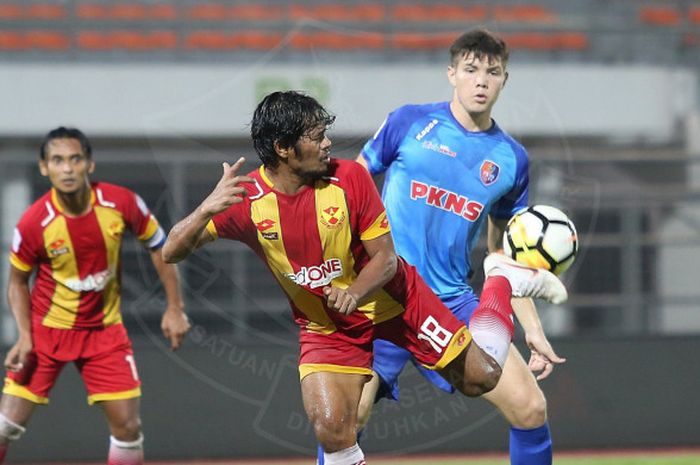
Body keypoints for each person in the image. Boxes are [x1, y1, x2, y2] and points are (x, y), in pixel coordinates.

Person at [162, 90, 567, 465]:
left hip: (398, 301)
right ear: (283, 148)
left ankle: (501, 278)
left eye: (325, 134)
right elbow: (171, 251)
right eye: (316, 136)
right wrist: (204, 210)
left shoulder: (348, 179)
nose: (326, 144)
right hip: (327, 325)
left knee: (482, 378)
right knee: (333, 426)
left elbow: (387, 261)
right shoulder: (246, 199)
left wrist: (353, 292)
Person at [330, 29, 564, 465]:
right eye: (471, 70)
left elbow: (505, 257)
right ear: (452, 73)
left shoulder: (511, 159)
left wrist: (532, 328)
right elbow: (350, 190)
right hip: (383, 296)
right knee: (344, 422)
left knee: (531, 408)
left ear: (504, 80)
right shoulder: (409, 122)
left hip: (449, 302)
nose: (481, 80)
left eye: (492, 72)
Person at [1, 127, 191, 465]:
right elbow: (16, 282)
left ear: (89, 164)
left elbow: (160, 247)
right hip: (47, 333)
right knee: (4, 427)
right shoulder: (34, 222)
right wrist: (25, 336)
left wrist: (175, 307)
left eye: (75, 159)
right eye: (58, 160)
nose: (68, 168)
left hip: (104, 333)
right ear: (44, 168)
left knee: (128, 428)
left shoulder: (121, 203)